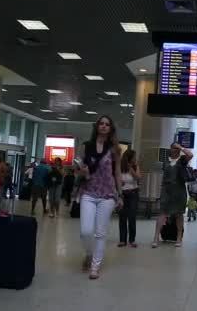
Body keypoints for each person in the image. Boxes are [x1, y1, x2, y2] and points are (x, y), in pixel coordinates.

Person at [78, 115, 123, 279]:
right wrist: (81, 171)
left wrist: (120, 194)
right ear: (97, 126)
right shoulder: (86, 146)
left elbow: (117, 172)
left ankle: (95, 266)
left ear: (110, 129)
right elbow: (79, 167)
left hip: (107, 194)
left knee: (100, 233)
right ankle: (89, 254)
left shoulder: (114, 149)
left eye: (107, 124)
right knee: (85, 231)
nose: (104, 126)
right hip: (88, 192)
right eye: (101, 124)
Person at [152, 143, 193, 248]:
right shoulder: (166, 161)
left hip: (179, 190)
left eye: (177, 148)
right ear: (170, 149)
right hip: (166, 190)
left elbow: (190, 155)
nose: (176, 150)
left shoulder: (182, 160)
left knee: (179, 214)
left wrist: (181, 147)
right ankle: (156, 237)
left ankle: (179, 237)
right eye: (174, 148)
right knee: (162, 213)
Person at [118, 149, 141, 248]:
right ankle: (122, 240)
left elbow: (138, 178)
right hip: (122, 194)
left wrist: (131, 169)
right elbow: (116, 179)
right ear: (129, 157)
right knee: (122, 217)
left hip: (133, 193)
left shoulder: (135, 166)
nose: (135, 158)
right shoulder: (119, 167)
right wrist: (119, 184)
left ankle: (132, 240)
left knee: (132, 217)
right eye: (134, 157)